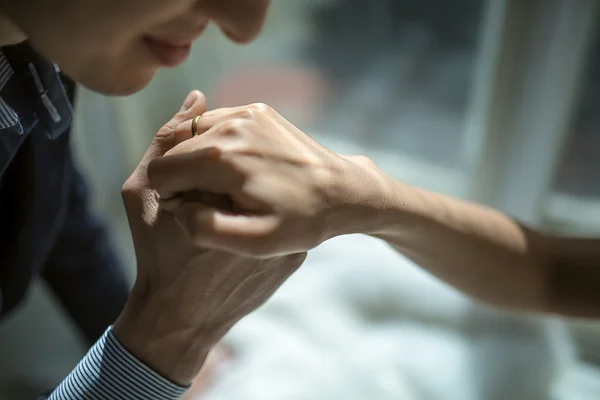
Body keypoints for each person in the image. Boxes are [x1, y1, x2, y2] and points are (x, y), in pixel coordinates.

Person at [0, 0, 305, 399]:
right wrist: (164, 341)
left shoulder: (37, 46)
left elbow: (48, 200)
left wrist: (128, 329)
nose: (244, 27)